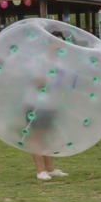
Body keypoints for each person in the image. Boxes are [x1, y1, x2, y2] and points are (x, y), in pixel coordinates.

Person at [32, 29, 71, 182]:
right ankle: (40, 170)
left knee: (49, 136)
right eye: (57, 41)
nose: (60, 45)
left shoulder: (60, 62)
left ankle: (50, 169)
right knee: (37, 137)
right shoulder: (39, 60)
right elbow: (34, 82)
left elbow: (62, 84)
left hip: (52, 104)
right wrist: (48, 80)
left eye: (62, 42)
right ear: (50, 42)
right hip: (35, 103)